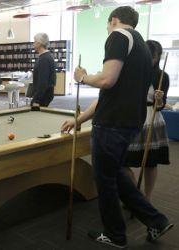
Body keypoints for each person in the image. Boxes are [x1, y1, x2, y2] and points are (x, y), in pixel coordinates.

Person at [61, 6, 173, 249]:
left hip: (113, 124)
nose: (107, 29)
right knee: (116, 174)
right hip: (130, 122)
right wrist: (79, 120)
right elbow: (109, 93)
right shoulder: (141, 45)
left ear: (113, 20)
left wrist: (82, 77)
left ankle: (115, 235)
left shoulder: (118, 36)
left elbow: (106, 80)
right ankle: (156, 220)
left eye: (107, 24)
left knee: (105, 180)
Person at [124, 40, 170, 202]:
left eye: (154, 57)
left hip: (152, 120)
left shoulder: (162, 76)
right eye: (149, 55)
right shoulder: (131, 71)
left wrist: (159, 99)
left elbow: (161, 106)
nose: (152, 59)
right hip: (132, 118)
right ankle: (137, 196)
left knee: (151, 163)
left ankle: (147, 198)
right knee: (122, 161)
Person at [31, 33, 56, 109]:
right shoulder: (47, 56)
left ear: (39, 43)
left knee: (35, 116)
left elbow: (43, 81)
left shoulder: (44, 59)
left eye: (34, 41)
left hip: (43, 96)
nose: (33, 43)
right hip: (46, 94)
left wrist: (37, 100)